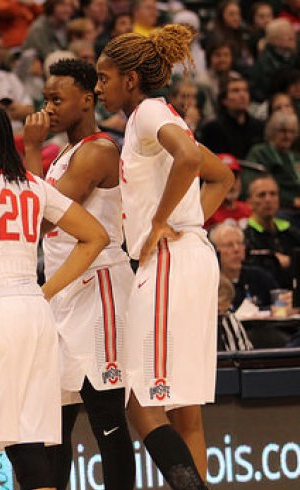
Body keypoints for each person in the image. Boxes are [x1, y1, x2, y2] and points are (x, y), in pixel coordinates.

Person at [96, 24, 236, 488]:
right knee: (183, 407)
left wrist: (159, 222)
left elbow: (192, 161)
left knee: (138, 397)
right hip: (192, 252)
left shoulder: (148, 112)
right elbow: (223, 179)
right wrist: (188, 219)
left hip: (171, 261)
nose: (99, 87)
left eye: (104, 77)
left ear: (130, 80)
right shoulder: (158, 112)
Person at [0, 98, 108, 490]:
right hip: (34, 314)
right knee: (29, 444)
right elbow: (95, 236)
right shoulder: (33, 183)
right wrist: (44, 290)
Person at [22, 58, 135, 490]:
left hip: (99, 290)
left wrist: (31, 148)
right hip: (64, 291)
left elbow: (44, 218)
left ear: (86, 100)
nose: (47, 108)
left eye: (56, 99)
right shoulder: (66, 153)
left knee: (107, 417)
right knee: (56, 422)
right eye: (45, 98)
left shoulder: (99, 150)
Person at [243, 175, 300, 288]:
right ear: (249, 202)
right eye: (261, 195)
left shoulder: (290, 231)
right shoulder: (244, 235)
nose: (268, 200)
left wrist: (290, 261)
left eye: (273, 194)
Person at [209, 222, 278, 311]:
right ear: (215, 251)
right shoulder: (211, 282)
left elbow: (279, 301)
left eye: (240, 243)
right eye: (229, 245)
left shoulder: (259, 276)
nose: (236, 249)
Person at [205, 154, 252, 229]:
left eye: (234, 177)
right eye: (224, 177)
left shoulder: (248, 210)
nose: (231, 183)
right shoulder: (206, 214)